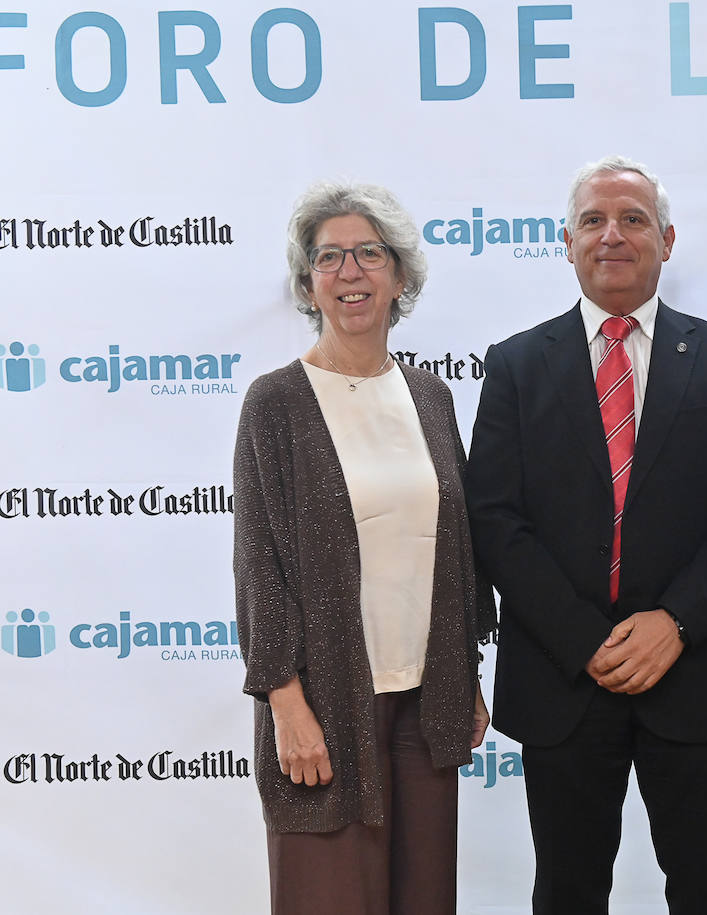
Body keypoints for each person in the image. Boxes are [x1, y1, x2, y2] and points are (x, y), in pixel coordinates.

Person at [464, 155, 707, 915]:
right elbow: (494, 520)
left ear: (667, 240)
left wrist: (674, 622)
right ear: (565, 241)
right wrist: (586, 638)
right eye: (594, 221)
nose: (613, 235)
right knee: (568, 894)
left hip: (691, 670)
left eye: (633, 219)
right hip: (564, 678)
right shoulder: (514, 365)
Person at [233, 181, 495, 915]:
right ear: (308, 284)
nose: (350, 272)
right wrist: (284, 700)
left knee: (424, 900)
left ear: (400, 276)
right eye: (329, 258)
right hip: (324, 702)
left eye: (369, 254)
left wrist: (466, 670)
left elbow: (455, 549)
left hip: (425, 703)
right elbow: (258, 563)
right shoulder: (276, 402)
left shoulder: (431, 396)